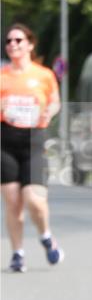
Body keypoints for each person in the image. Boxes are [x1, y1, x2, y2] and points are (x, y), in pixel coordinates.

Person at [1, 22, 65, 272]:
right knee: (13, 202)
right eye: (9, 41)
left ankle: (46, 236)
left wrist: (50, 110)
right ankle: (17, 254)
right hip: (5, 143)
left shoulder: (44, 75)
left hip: (33, 142)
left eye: (18, 40)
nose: (12, 45)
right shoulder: (2, 76)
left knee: (34, 201)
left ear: (30, 44)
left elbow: (55, 102)